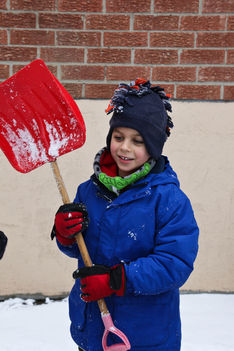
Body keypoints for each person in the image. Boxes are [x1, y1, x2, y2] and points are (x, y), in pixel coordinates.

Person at [51, 79, 199, 351]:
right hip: (93, 329)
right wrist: (65, 234)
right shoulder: (89, 190)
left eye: (138, 141)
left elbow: (174, 263)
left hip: (143, 335)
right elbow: (80, 250)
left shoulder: (168, 200)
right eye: (118, 137)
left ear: (154, 147)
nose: (125, 148)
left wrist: (115, 280)